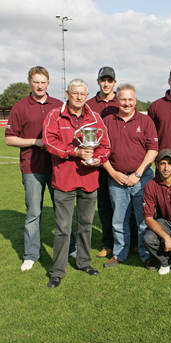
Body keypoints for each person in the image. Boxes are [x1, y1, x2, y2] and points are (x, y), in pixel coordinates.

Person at [5, 66, 76, 272]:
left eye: (43, 82)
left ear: (48, 83)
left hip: (58, 168)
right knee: (34, 213)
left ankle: (71, 248)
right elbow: (9, 139)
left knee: (63, 212)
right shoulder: (20, 107)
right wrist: (36, 142)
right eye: (36, 82)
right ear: (30, 82)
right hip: (32, 168)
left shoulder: (58, 105)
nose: (39, 85)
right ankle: (31, 254)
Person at [43, 79, 110, 288]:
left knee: (86, 226)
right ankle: (57, 271)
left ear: (87, 94)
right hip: (64, 180)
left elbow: (106, 145)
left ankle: (83, 262)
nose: (79, 97)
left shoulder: (95, 117)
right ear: (67, 94)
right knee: (63, 228)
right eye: (75, 93)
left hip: (89, 180)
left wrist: (98, 159)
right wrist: (75, 152)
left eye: (83, 94)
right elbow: (49, 142)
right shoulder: (55, 115)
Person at [101, 83, 158, 270]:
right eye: (123, 99)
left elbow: (153, 149)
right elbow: (101, 151)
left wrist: (138, 173)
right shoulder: (107, 121)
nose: (127, 103)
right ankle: (119, 254)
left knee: (143, 220)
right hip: (116, 179)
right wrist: (113, 173)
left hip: (142, 178)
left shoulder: (146, 121)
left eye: (130, 99)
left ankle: (146, 254)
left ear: (135, 100)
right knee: (118, 220)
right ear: (117, 100)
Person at [86, 66, 119, 259]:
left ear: (114, 82)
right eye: (103, 80)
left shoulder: (121, 100)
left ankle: (130, 242)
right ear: (98, 81)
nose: (106, 84)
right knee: (105, 206)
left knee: (125, 205)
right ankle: (108, 243)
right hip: (98, 165)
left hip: (119, 162)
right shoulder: (89, 104)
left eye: (110, 80)